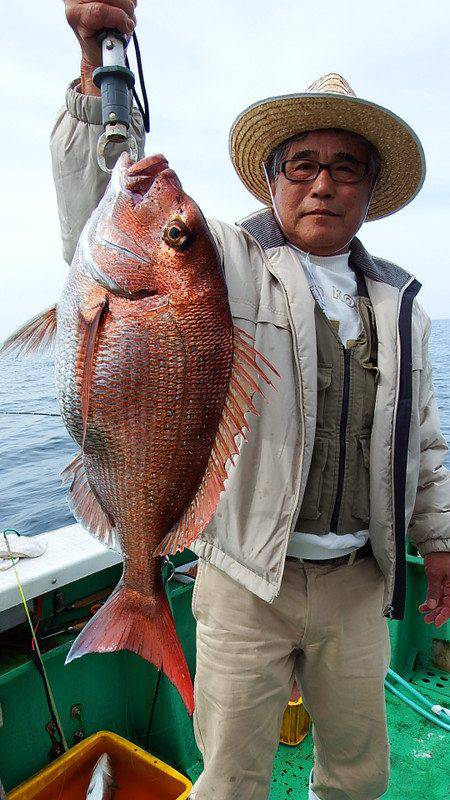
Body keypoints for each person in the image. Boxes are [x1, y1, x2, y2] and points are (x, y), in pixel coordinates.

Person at [57, 3, 450, 799]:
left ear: (372, 189)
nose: (324, 183)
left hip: (359, 585)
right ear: (271, 180)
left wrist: (437, 543)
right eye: (302, 163)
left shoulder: (403, 302)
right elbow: (104, 201)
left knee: (358, 776)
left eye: (347, 168)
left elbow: (426, 443)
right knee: (231, 780)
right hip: (244, 582)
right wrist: (93, 61)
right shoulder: (222, 262)